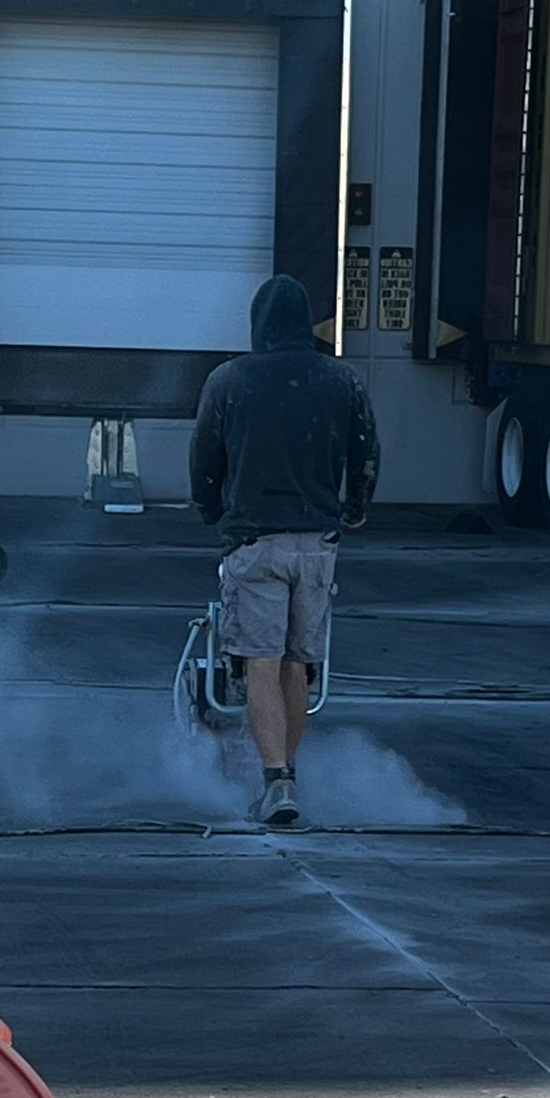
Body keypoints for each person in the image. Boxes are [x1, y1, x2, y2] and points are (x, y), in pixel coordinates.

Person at [189, 273, 380, 826]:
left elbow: (205, 459)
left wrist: (211, 513)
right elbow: (367, 449)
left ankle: (275, 783)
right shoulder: (341, 379)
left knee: (260, 665)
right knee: (299, 664)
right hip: (318, 545)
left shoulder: (229, 380)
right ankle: (287, 775)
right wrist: (354, 508)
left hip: (255, 542)